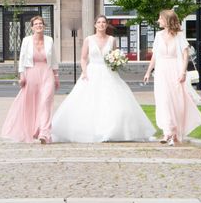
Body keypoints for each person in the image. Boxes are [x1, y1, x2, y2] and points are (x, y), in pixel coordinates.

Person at [52, 15, 155, 143]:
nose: (101, 24)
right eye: (99, 22)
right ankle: (89, 130)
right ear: (95, 25)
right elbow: (83, 58)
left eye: (103, 22)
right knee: (89, 101)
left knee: (112, 101)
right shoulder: (89, 40)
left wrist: (116, 62)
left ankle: (112, 130)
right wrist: (84, 72)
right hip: (92, 71)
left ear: (106, 25)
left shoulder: (112, 40)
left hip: (108, 72)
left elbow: (115, 55)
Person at [143, 9, 201, 146]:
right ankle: (167, 131)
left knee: (176, 101)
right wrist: (148, 72)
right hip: (161, 71)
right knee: (163, 100)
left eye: (160, 18)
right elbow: (155, 56)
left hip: (175, 71)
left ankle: (174, 132)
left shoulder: (179, 36)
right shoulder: (158, 36)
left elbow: (185, 55)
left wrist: (183, 72)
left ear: (167, 20)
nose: (158, 20)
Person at [2, 15, 59, 144]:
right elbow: (22, 59)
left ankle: (44, 132)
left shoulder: (49, 40)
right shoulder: (26, 40)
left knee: (46, 102)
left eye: (41, 24)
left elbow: (54, 59)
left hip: (47, 72)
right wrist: (22, 75)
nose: (39, 26)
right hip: (31, 72)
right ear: (32, 27)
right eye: (36, 24)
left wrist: (56, 76)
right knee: (32, 102)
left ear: (44, 26)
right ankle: (33, 129)